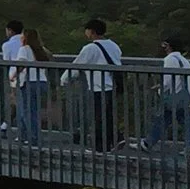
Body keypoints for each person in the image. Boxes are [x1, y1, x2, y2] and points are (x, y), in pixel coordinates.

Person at [64, 18, 123, 152]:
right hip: (113, 85)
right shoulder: (113, 45)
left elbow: (77, 65)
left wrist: (65, 79)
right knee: (107, 115)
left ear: (91, 31)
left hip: (98, 86)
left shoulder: (90, 48)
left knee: (98, 117)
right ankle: (115, 139)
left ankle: (100, 147)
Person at [146, 37, 190, 152]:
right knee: (186, 122)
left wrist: (157, 88)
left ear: (169, 46)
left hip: (173, 97)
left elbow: (167, 81)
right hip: (184, 97)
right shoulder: (184, 60)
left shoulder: (170, 59)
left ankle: (147, 144)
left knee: (162, 120)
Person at [14, 28, 52, 146]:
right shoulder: (41, 50)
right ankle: (24, 135)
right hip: (42, 82)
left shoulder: (24, 49)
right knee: (32, 110)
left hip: (29, 82)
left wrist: (14, 75)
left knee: (27, 112)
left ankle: (33, 137)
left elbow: (21, 65)